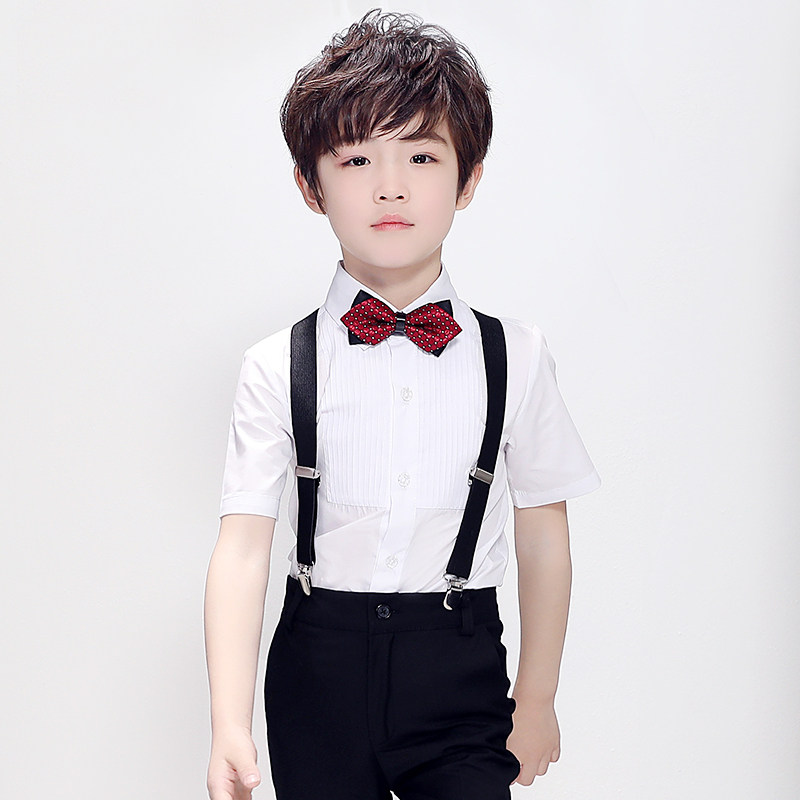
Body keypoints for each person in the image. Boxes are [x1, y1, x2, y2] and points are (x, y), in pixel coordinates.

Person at [204, 8, 601, 800]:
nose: (391, 186)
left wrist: (538, 696)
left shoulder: (516, 356)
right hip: (317, 667)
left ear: (469, 178)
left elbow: (544, 534)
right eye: (356, 159)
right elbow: (243, 550)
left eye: (422, 155)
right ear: (310, 186)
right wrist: (228, 722)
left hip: (458, 664)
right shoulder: (275, 365)